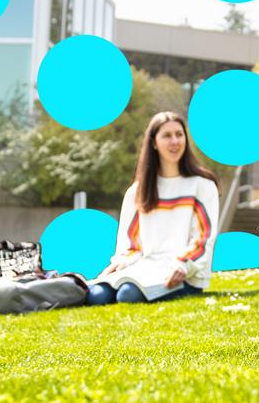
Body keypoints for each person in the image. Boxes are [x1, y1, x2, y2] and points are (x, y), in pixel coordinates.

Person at [88, 111, 220, 305]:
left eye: (179, 134)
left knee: (127, 295)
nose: (175, 141)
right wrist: (121, 261)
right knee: (97, 295)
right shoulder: (138, 191)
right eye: (167, 135)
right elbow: (130, 243)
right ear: (154, 143)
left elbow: (203, 239)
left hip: (183, 273)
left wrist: (183, 264)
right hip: (145, 268)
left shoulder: (202, 185)